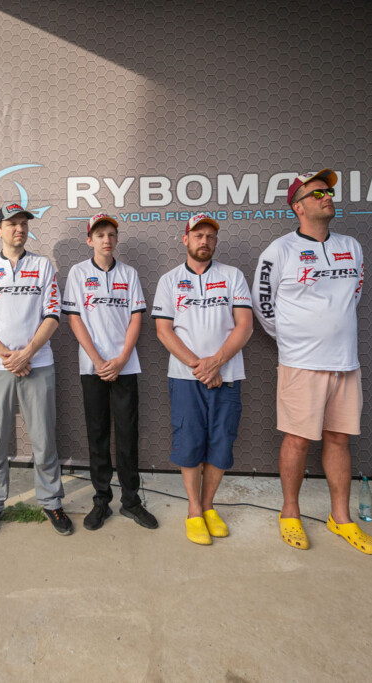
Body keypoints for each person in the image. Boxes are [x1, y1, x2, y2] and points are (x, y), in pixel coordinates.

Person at [253, 169, 372, 555]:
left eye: (329, 192)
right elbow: (263, 303)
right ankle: (290, 512)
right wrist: (293, 340)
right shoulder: (279, 251)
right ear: (298, 206)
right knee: (297, 439)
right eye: (318, 193)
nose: (328, 197)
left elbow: (354, 294)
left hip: (345, 362)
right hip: (301, 363)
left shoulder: (351, 246)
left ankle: (341, 518)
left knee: (339, 439)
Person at [0, 202, 72, 537]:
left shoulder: (42, 266)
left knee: (43, 438)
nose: (20, 229)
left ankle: (51, 501)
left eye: (24, 223)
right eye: (12, 224)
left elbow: (53, 314)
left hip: (37, 363)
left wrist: (27, 353)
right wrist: (7, 356)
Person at [152, 212, 253, 545]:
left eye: (210, 236)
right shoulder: (169, 280)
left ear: (216, 241)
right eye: (198, 235)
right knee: (189, 442)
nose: (204, 240)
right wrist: (201, 367)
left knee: (221, 443)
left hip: (228, 375)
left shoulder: (232, 276)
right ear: (186, 239)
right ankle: (194, 509)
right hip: (185, 377)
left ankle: (209, 506)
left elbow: (245, 325)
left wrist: (217, 363)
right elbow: (163, 331)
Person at [62, 213, 157, 530]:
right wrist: (98, 360)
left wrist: (122, 358)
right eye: (100, 234)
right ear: (89, 240)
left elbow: (136, 318)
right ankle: (101, 500)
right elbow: (75, 318)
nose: (106, 239)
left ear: (116, 240)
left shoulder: (129, 274)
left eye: (111, 234)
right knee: (98, 435)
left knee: (128, 435)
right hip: (93, 368)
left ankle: (131, 501)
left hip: (125, 367)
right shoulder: (78, 273)